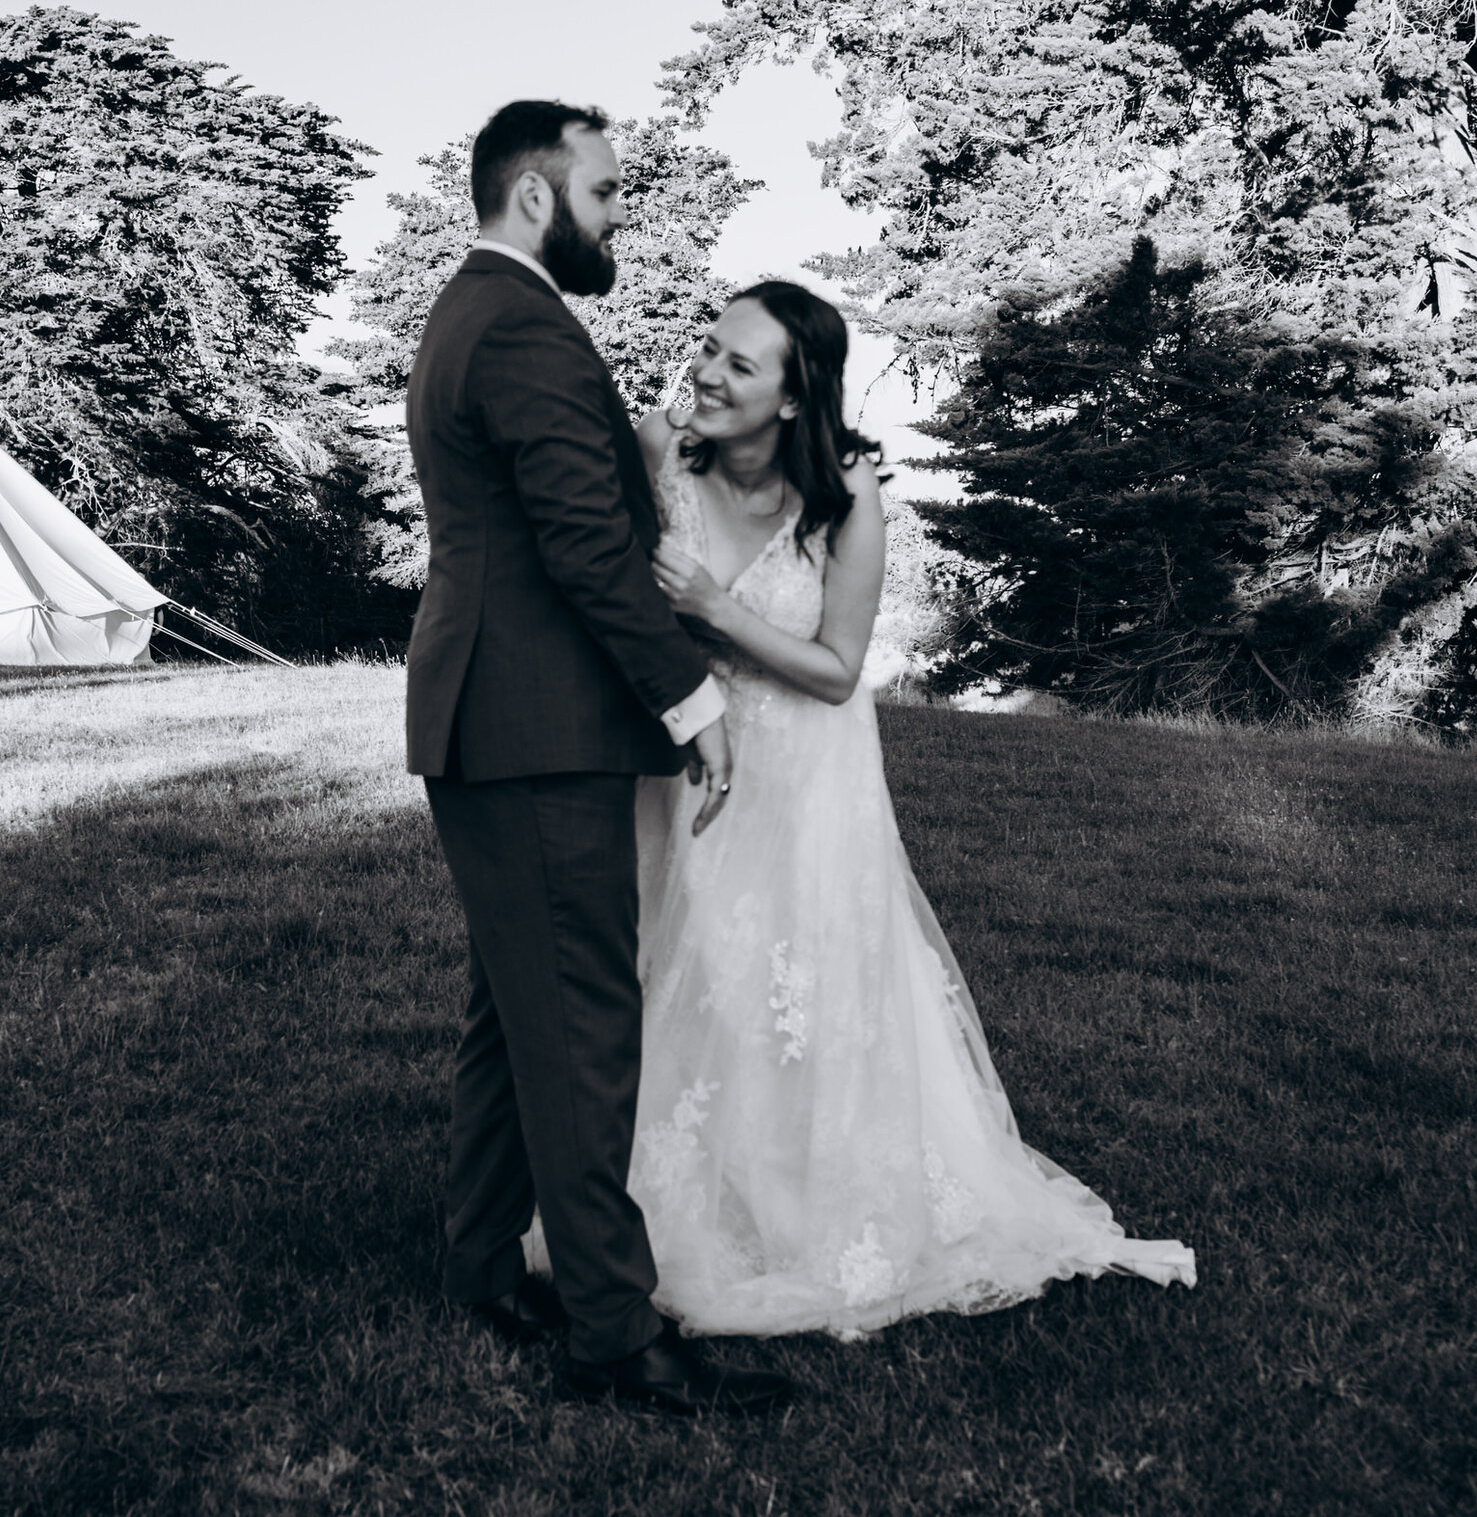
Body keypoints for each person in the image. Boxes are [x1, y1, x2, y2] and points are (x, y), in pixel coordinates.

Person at [615, 278, 1197, 1336]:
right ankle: (669, 1195)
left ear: (794, 400)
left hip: (803, 772)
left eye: (738, 364)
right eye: (708, 348)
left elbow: (837, 669)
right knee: (685, 967)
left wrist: (707, 607)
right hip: (683, 760)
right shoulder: (659, 447)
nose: (704, 371)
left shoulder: (846, 491)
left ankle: (809, 1208)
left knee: (796, 984)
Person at [405, 100, 791, 1414]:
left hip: (494, 724)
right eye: (607, 190)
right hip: (532, 730)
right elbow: (583, 549)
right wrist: (693, 700)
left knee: (513, 1017)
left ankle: (476, 1267)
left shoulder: (476, 311)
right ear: (533, 197)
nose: (622, 211)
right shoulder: (518, 326)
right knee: (579, 1028)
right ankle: (613, 1337)